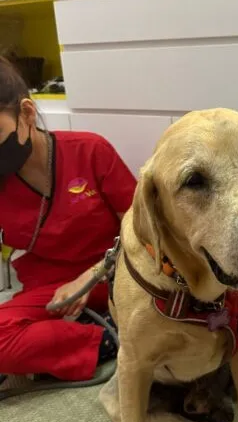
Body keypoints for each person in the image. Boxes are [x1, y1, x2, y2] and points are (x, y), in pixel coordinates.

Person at [0, 56, 136, 382]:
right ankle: (102, 338)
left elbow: (143, 228)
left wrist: (90, 277)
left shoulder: (90, 151)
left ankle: (91, 337)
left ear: (27, 114)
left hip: (116, 271)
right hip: (49, 285)